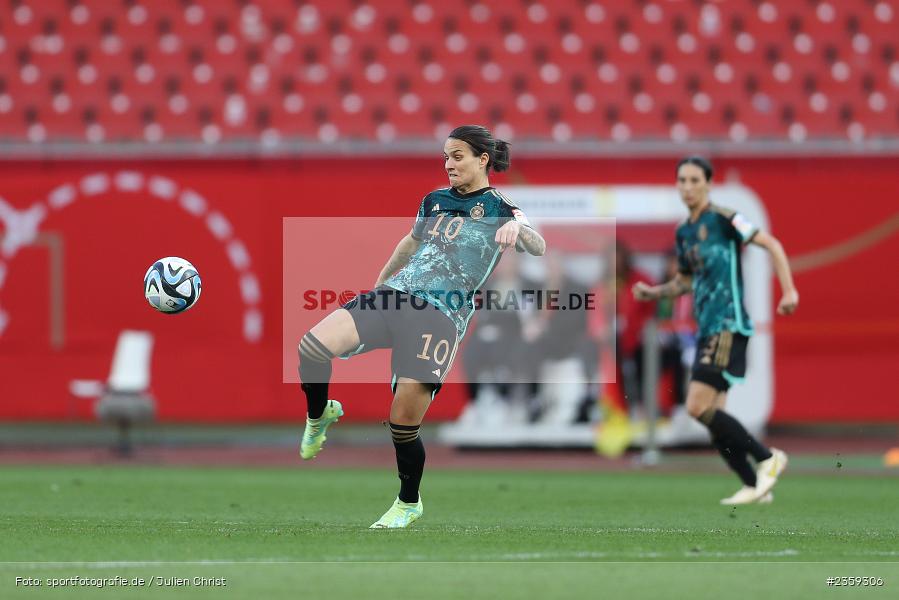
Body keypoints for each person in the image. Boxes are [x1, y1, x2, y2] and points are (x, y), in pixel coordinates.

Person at [297, 125, 546, 527]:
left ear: (483, 160)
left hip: (442, 315)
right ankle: (318, 414)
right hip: (396, 295)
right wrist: (379, 286)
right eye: (446, 156)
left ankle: (408, 502)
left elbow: (539, 245)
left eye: (458, 156)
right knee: (311, 346)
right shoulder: (434, 200)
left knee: (403, 419)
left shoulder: (501, 206)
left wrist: (520, 229)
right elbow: (410, 244)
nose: (449, 164)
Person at [633, 156, 799, 505]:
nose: (688, 187)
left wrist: (789, 290)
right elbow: (685, 281)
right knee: (713, 417)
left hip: (727, 323)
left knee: (695, 406)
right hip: (706, 327)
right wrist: (654, 292)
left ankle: (769, 458)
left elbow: (771, 244)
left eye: (695, 180)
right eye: (682, 181)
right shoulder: (684, 232)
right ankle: (755, 485)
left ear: (708, 184)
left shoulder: (725, 219)